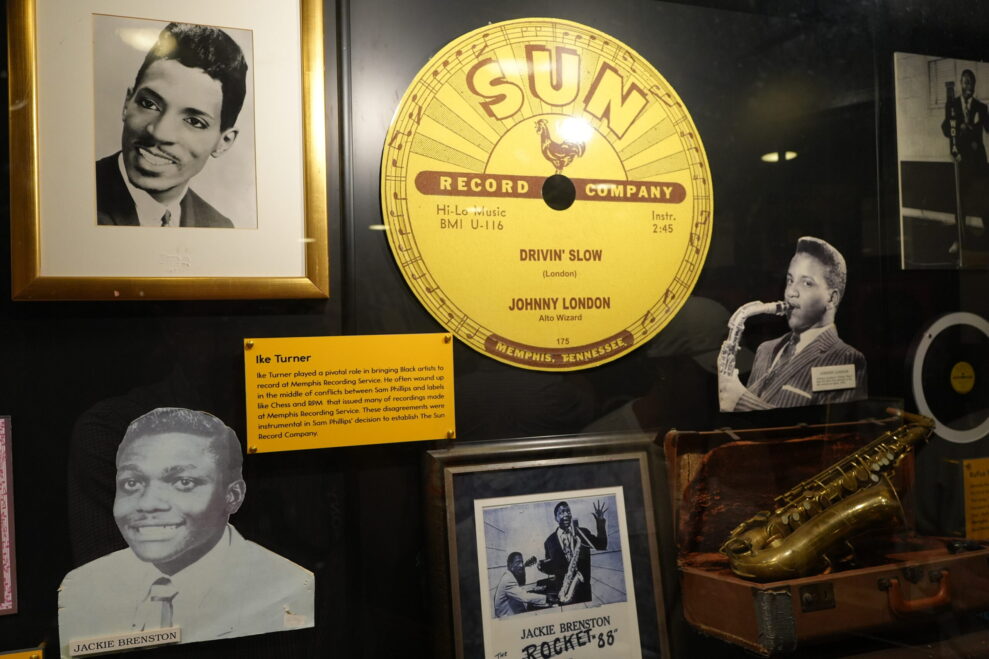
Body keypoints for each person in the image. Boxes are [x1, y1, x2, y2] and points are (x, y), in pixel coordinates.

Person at [58, 408, 313, 657]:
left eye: (184, 482)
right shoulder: (82, 588)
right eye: (132, 483)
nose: (148, 503)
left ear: (233, 496)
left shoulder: (284, 588)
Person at [96, 22, 247, 227]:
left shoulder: (220, 227)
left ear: (224, 142)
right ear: (127, 103)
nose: (159, 132)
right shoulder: (73, 193)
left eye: (194, 121)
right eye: (149, 104)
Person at [719, 237, 867, 411]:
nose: (791, 292)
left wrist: (741, 400)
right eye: (790, 280)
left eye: (807, 283)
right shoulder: (765, 350)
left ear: (831, 298)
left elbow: (827, 425)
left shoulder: (847, 358)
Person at [940, 68, 988, 253]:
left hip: (978, 162)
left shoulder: (981, 107)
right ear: (961, 84)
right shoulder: (952, 105)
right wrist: (955, 126)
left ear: (974, 86)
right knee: (959, 203)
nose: (968, 84)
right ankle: (959, 240)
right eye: (965, 81)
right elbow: (948, 131)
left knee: (984, 200)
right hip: (961, 161)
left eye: (971, 82)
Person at [536, 501, 608, 605]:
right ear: (556, 518)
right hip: (564, 592)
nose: (566, 514)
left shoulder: (582, 533)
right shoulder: (549, 542)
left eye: (568, 511)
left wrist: (600, 521)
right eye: (561, 512)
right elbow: (553, 568)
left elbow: (602, 545)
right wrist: (542, 567)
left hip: (584, 590)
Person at [493, 552, 550, 617]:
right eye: (518, 562)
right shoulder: (508, 579)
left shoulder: (510, 575)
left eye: (522, 562)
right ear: (510, 564)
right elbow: (524, 597)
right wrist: (546, 598)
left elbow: (518, 588)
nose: (521, 565)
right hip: (508, 618)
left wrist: (534, 589)